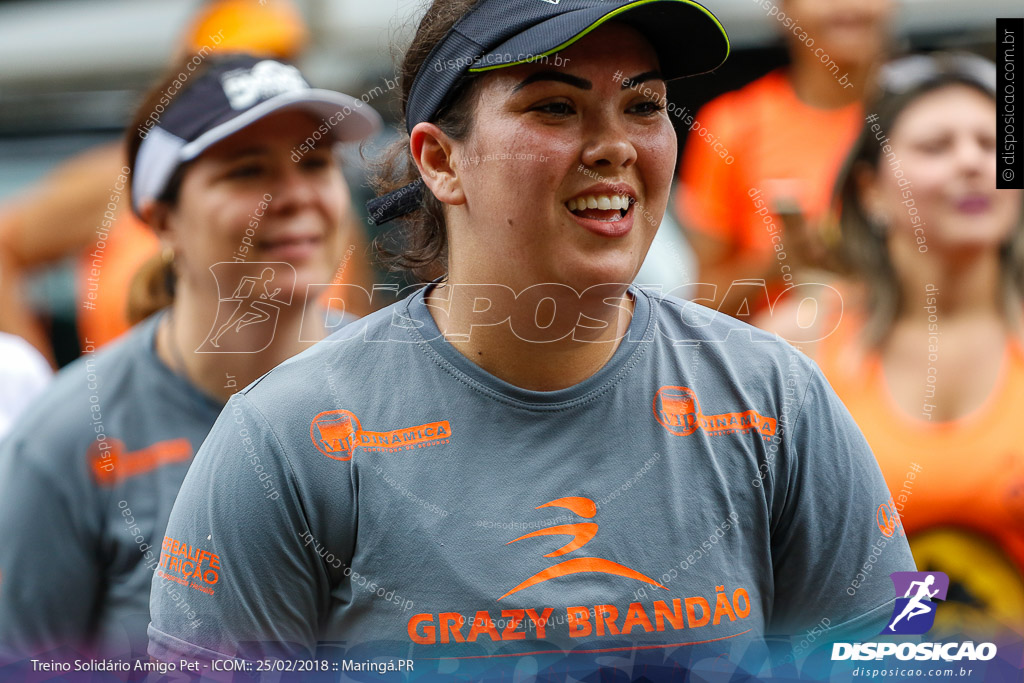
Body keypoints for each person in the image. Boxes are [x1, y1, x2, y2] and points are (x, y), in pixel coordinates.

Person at [148, 0, 914, 678]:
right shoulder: (285, 438)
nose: (616, 145)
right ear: (440, 160)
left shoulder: (774, 396)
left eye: (643, 105)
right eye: (555, 107)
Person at [0, 53, 381, 665]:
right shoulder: (64, 441)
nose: (293, 196)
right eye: (247, 171)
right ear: (161, 219)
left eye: (314, 163)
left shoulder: (409, 392)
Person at [763, 52, 1024, 640]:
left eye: (991, 145)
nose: (973, 164)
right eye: (937, 147)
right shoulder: (795, 349)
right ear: (871, 190)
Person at [677, 0, 892, 319]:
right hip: (778, 358)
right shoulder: (733, 126)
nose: (848, 6)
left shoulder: (941, 122)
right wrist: (778, 264)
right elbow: (697, 306)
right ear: (784, 10)